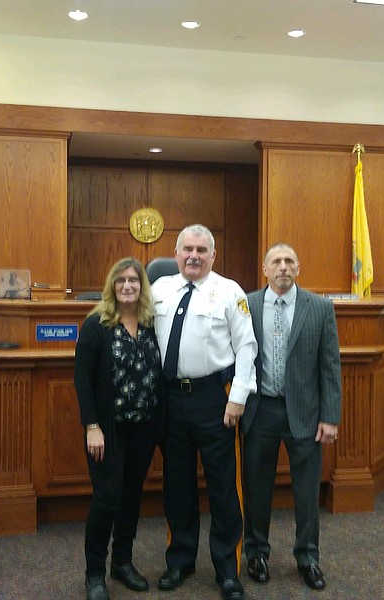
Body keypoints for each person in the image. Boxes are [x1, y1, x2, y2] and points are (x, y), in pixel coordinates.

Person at [150, 224, 257, 600]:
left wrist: (239, 396)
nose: (193, 255)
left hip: (215, 398)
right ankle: (180, 560)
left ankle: (228, 569)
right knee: (176, 484)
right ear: (176, 253)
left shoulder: (230, 292)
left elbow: (247, 347)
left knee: (224, 486)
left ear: (213, 255)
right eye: (186, 249)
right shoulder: (159, 289)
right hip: (170, 400)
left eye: (201, 249)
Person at [240, 243, 341, 591]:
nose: (283, 267)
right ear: (265, 269)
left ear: (298, 268)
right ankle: (256, 553)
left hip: (306, 414)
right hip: (260, 409)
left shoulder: (320, 307)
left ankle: (308, 558)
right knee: (256, 488)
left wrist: (330, 417)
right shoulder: (247, 305)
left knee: (306, 491)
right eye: (276, 262)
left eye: (289, 262)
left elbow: (330, 367)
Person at [73, 257, 162, 600]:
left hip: (144, 428)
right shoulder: (97, 324)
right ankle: (95, 572)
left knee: (130, 497)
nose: (128, 286)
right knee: (107, 499)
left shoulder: (151, 322)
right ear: (112, 285)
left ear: (142, 286)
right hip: (107, 429)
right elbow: (82, 380)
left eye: (134, 281)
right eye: (121, 280)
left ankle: (122, 563)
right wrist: (91, 426)